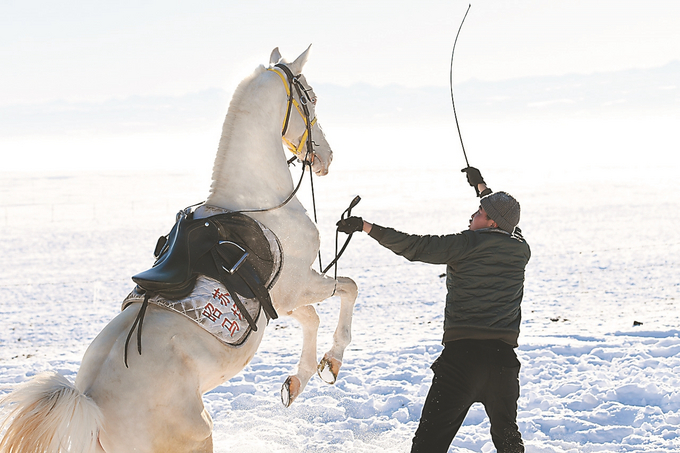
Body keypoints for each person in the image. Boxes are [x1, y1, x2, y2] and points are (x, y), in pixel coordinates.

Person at [337, 167, 530, 453]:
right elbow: (508, 224)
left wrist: (367, 227)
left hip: (462, 362)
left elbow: (415, 246)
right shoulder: (521, 248)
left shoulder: (464, 245)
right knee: (509, 441)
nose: (471, 217)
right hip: (503, 365)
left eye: (478, 213)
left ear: (490, 224)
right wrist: (482, 188)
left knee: (428, 446)